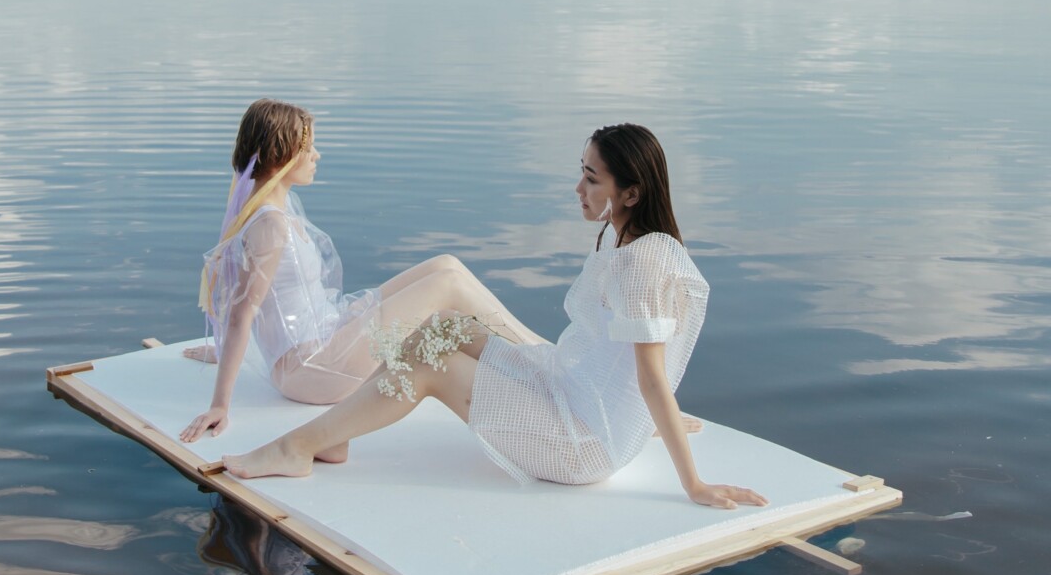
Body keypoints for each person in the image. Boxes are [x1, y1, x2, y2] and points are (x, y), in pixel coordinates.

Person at [216, 123, 766, 509]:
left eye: (593, 180)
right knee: (441, 327)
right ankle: (335, 436)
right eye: (582, 172)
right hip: (573, 394)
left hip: (581, 443)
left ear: (632, 192)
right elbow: (627, 367)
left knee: (431, 366)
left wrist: (693, 482)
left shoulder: (641, 265)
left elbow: (650, 377)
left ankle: (296, 448)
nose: (579, 188)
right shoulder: (632, 243)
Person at [180, 99, 544, 447]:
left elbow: (246, 297)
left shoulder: (269, 203)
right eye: (308, 149)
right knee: (445, 285)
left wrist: (222, 349)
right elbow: (244, 313)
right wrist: (220, 404)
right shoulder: (269, 225)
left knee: (445, 265)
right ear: (281, 154)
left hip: (323, 337)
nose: (316, 156)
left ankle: (540, 356)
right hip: (310, 370)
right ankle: (544, 364)